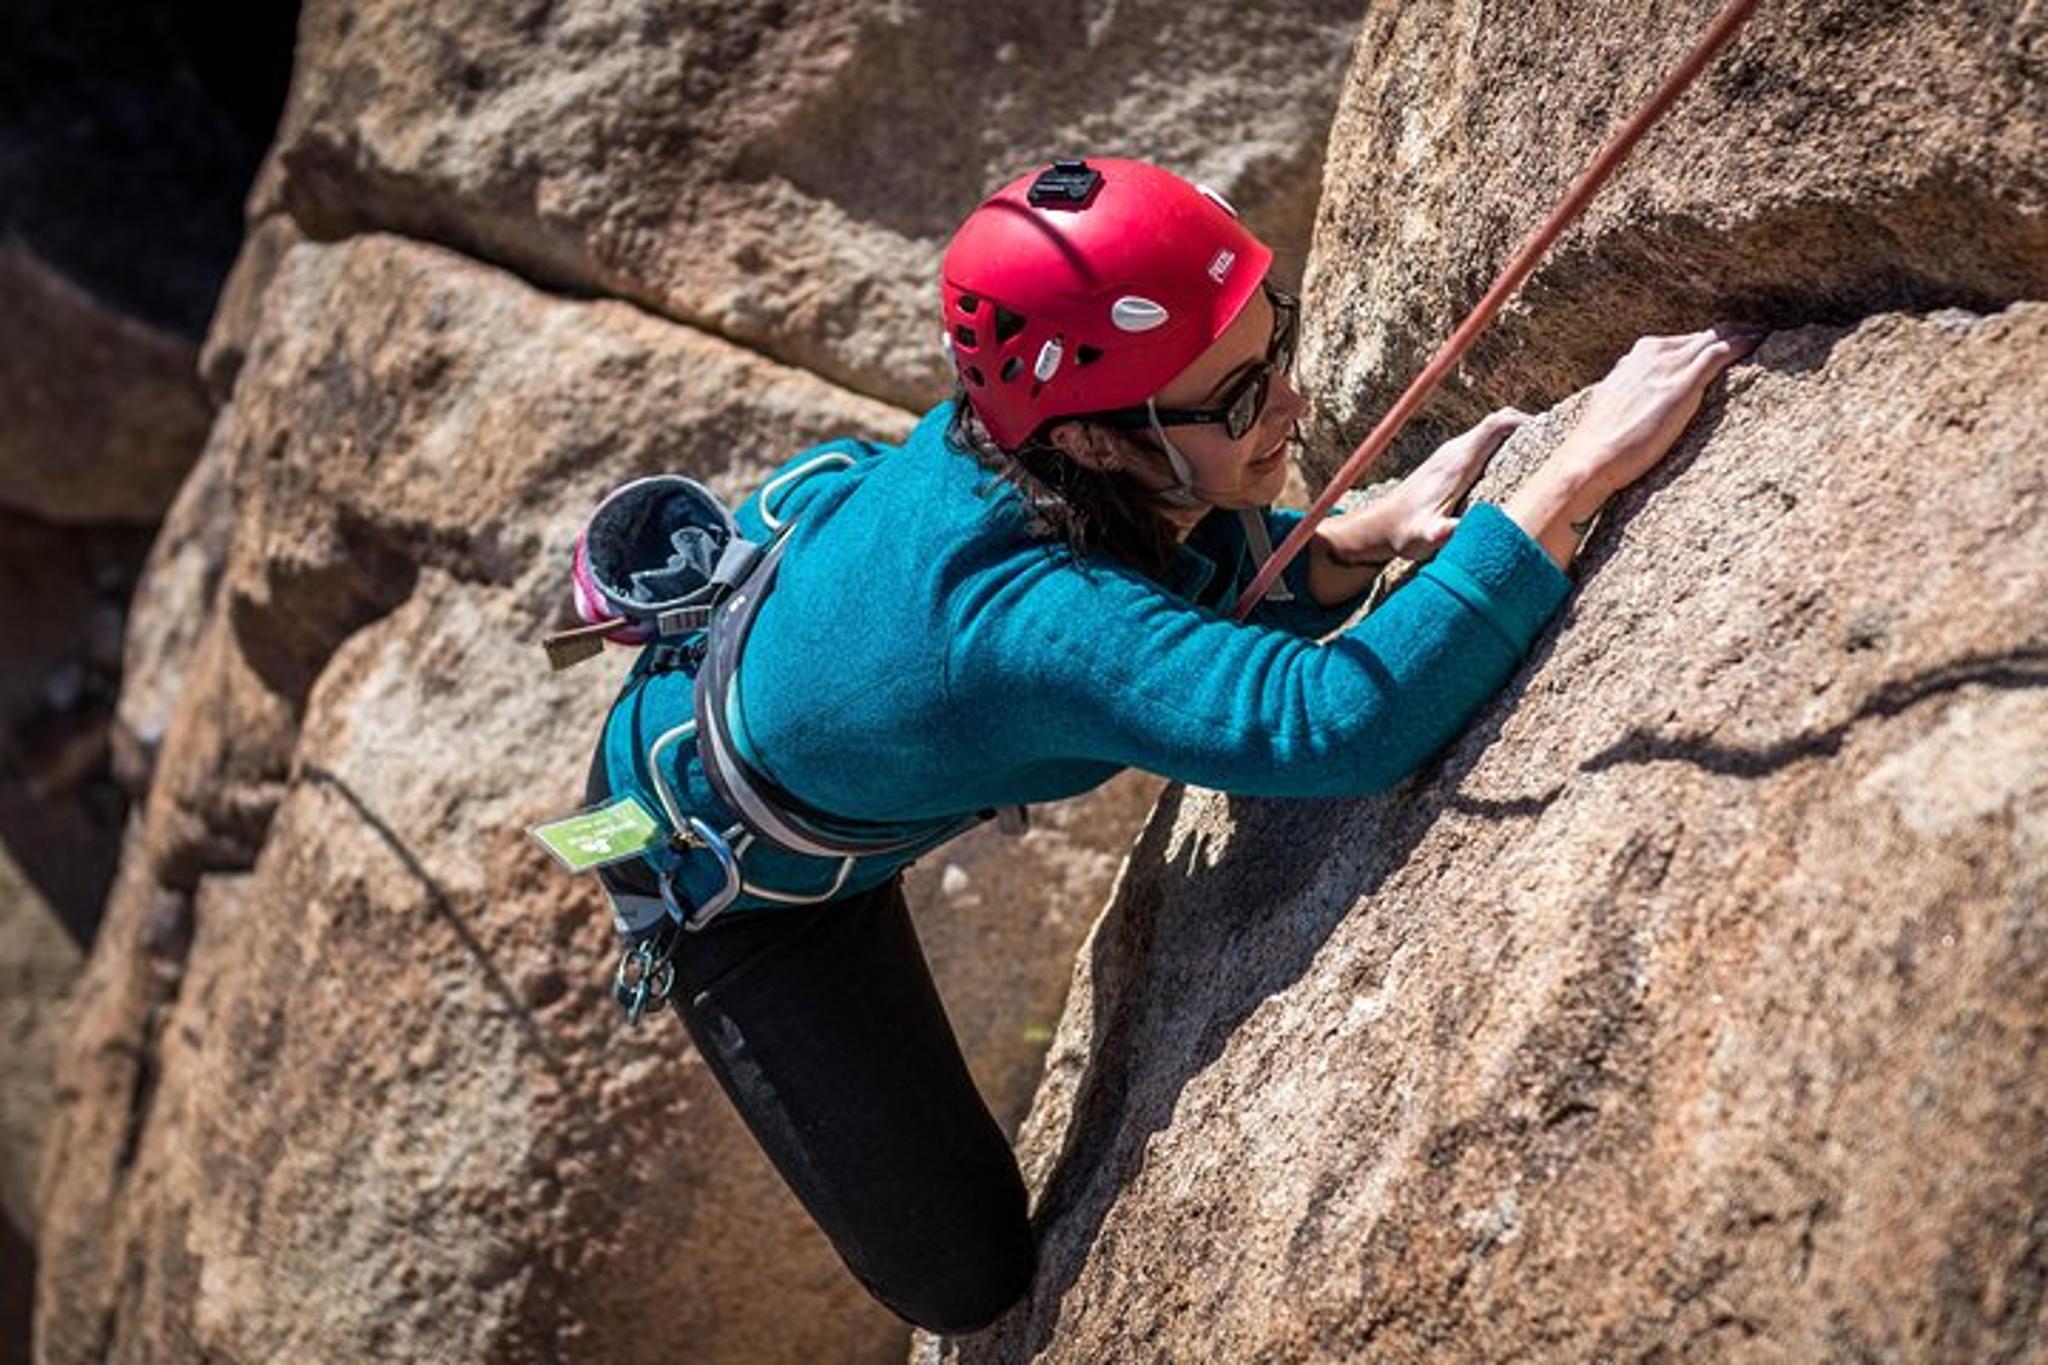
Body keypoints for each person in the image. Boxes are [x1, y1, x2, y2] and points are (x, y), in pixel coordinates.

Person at [583, 156, 1757, 1333]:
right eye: (1241, 396)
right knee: (963, 1280)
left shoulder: (1036, 450)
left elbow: (1154, 551)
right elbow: (1323, 720)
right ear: (1092, 441)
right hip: (717, 871)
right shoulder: (1020, 620)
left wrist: (1341, 544)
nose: (1291, 406)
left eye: (1275, 346)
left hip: (803, 672)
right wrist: (1564, 484)